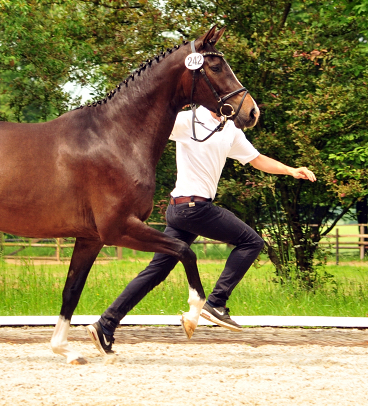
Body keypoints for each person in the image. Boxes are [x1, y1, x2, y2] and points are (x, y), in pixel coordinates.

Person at [86, 105, 316, 354]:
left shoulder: (230, 129)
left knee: (157, 270)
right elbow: (150, 124)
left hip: (184, 211)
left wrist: (291, 170)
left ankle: (105, 324)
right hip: (192, 208)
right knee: (251, 242)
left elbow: (256, 159)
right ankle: (216, 303)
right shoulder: (188, 120)